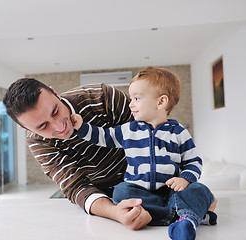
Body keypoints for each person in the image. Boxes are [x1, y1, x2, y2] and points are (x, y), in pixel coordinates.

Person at [2, 75, 217, 231]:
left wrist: (184, 183)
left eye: (56, 111)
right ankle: (188, 212)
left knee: (197, 189)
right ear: (26, 129)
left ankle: (184, 206)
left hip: (159, 182)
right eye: (42, 126)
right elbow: (76, 187)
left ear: (55, 93)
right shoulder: (38, 142)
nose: (59, 127)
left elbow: (151, 134)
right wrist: (116, 213)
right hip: (118, 194)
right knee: (121, 193)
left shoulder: (102, 96)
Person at [71, 67, 217, 240]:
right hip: (142, 193)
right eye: (131, 98)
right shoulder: (128, 130)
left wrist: (184, 179)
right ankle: (187, 216)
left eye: (137, 98)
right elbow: (104, 137)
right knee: (120, 191)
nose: (130, 103)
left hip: (172, 192)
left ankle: (184, 220)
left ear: (161, 102)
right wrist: (81, 128)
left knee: (200, 189)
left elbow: (194, 162)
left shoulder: (179, 133)